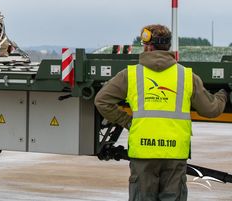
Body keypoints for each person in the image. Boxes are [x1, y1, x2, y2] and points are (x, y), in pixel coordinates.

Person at [95, 24, 228, 201]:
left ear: (149, 46)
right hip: (174, 154)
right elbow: (211, 110)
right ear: (168, 46)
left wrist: (127, 122)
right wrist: (223, 94)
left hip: (144, 153)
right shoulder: (186, 76)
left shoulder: (131, 74)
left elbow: (101, 101)